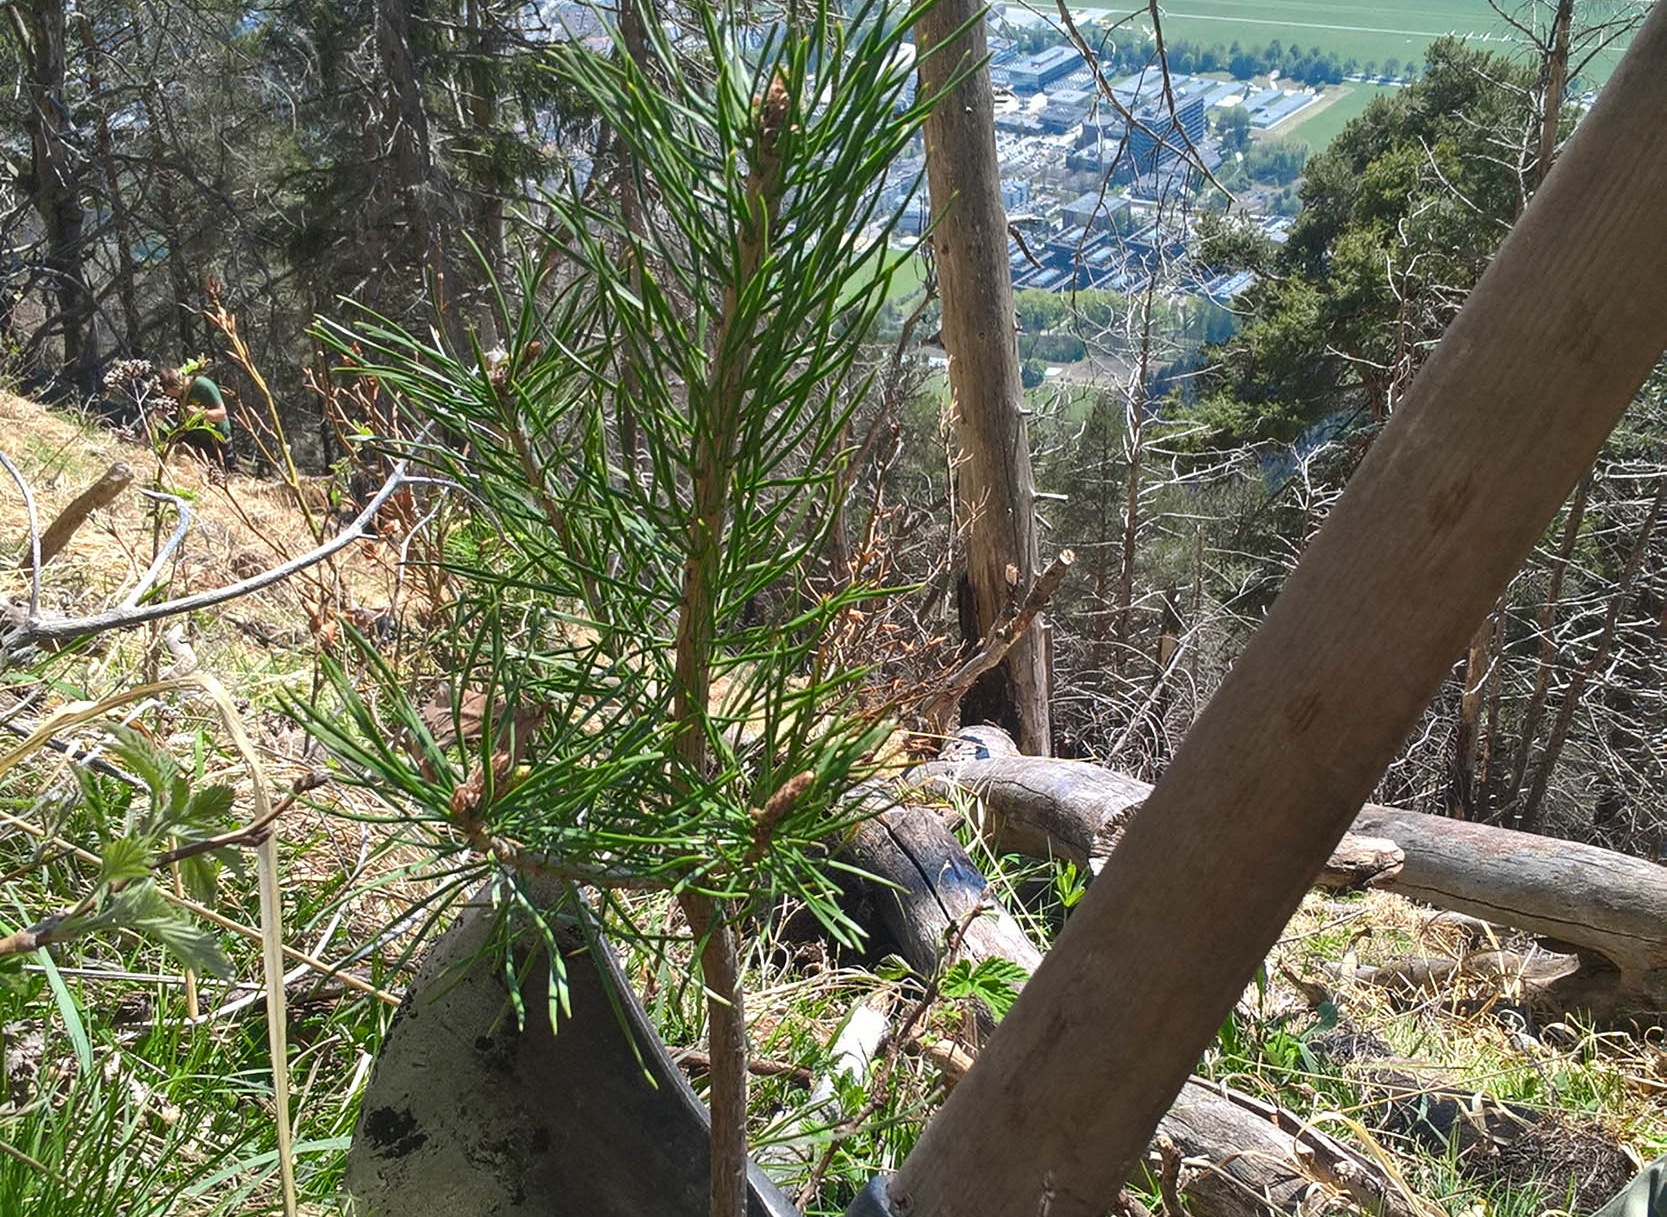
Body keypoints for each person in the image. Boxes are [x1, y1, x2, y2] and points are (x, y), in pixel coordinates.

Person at [157, 366, 233, 471]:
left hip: (215, 438)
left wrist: (200, 413)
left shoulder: (204, 386)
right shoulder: (171, 396)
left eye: (173, 393)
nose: (173, 397)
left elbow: (222, 415)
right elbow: (158, 415)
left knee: (222, 472)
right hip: (192, 436)